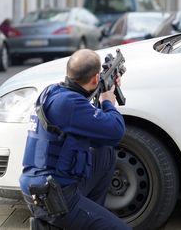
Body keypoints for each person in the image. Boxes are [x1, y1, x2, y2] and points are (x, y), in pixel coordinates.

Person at [19, 49, 131, 230]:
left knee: (105, 152)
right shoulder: (69, 105)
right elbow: (116, 131)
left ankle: (87, 217)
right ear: (95, 79)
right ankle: (61, 222)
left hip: (48, 185)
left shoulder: (53, 92)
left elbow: (100, 137)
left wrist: (104, 90)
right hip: (52, 197)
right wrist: (108, 101)